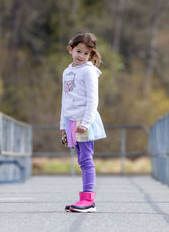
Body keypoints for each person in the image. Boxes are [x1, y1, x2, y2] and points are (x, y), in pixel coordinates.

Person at [60, 32, 106, 213]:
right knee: (81, 160)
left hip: (84, 120)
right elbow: (65, 100)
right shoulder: (67, 71)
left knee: (86, 159)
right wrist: (62, 127)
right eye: (78, 51)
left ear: (91, 55)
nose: (81, 56)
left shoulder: (88, 71)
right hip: (71, 121)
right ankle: (85, 199)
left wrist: (86, 123)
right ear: (70, 50)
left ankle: (88, 199)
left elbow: (93, 100)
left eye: (86, 53)